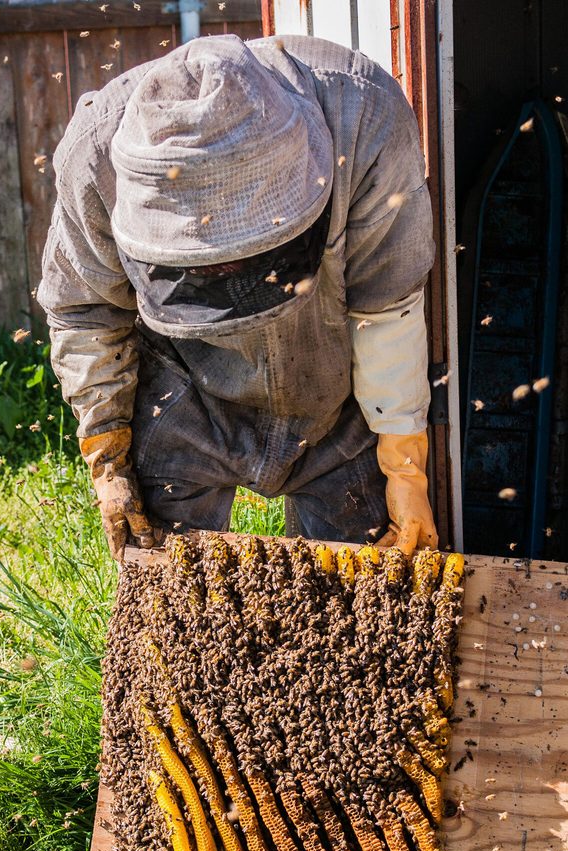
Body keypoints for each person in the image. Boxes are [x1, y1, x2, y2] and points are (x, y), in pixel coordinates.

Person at [37, 33, 439, 560]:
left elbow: (386, 304)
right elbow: (85, 313)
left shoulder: (361, 120)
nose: (225, 275)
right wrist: (107, 456)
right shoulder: (94, 157)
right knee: (169, 599)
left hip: (333, 391)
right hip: (186, 392)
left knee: (365, 585)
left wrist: (404, 469)